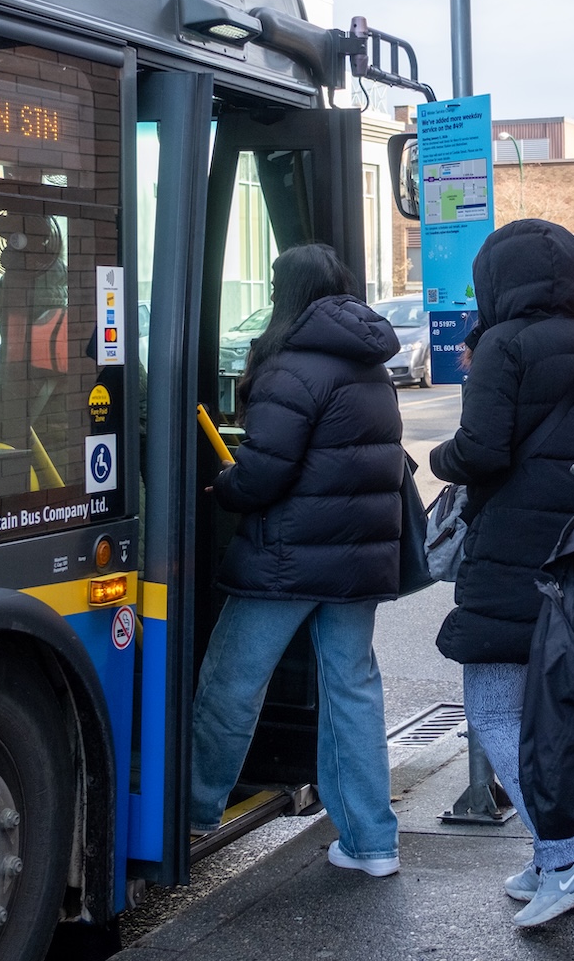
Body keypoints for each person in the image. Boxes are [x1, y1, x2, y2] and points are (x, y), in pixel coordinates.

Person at [431, 218, 574, 928]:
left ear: (495, 281)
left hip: (511, 555)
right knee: (547, 718)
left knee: (491, 708)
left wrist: (440, 461)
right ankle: (550, 856)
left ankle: (565, 857)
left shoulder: (500, 347)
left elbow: (482, 452)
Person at [191, 243, 407, 877]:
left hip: (285, 559)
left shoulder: (290, 367)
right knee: (353, 692)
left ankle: (197, 811)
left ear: (286, 294)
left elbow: (265, 473)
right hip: (358, 561)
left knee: (231, 682)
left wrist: (224, 486)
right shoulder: (372, 364)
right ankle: (373, 842)